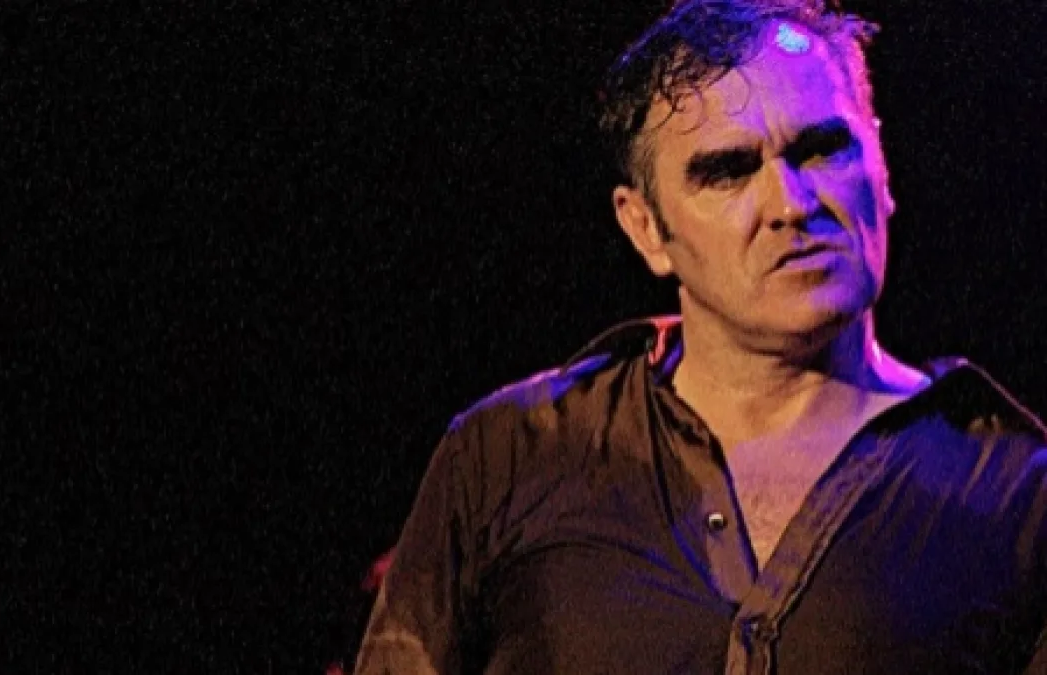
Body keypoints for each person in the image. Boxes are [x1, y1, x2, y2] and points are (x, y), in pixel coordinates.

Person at [353, 0, 1047, 672]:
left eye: (822, 149)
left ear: (883, 168)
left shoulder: (1018, 489)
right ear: (646, 229)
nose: (791, 204)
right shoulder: (508, 457)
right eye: (728, 171)